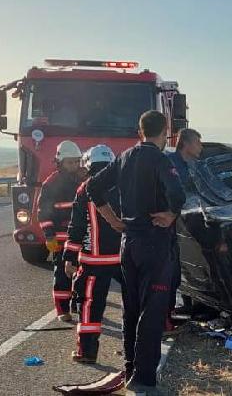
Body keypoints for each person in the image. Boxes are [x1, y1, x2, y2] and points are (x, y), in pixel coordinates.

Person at [87, 110, 185, 395]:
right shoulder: (160, 159)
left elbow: (94, 187)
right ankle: (144, 379)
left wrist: (114, 221)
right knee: (152, 311)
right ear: (164, 132)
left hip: (128, 244)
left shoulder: (125, 157)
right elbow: (178, 194)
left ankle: (130, 367)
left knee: (131, 310)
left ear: (139, 130)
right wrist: (171, 214)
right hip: (154, 244)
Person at [63, 145, 124, 364]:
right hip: (124, 259)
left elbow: (76, 227)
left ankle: (87, 352)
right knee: (136, 302)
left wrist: (69, 257)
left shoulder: (84, 189)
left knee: (89, 305)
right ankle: (136, 352)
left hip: (93, 261)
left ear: (88, 165)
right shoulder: (124, 185)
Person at [38, 140, 82, 322]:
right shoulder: (51, 183)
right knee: (62, 274)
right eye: (70, 162)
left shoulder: (81, 180)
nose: (74, 165)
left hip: (78, 237)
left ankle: (77, 304)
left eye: (76, 161)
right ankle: (62, 310)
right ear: (60, 162)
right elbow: (43, 212)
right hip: (60, 238)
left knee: (80, 272)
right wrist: (49, 235)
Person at [164, 128, 202, 334]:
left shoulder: (195, 166)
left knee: (176, 275)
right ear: (186, 144)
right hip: (166, 226)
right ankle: (164, 320)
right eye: (198, 142)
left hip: (184, 226)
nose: (201, 147)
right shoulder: (168, 161)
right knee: (166, 275)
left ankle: (175, 312)